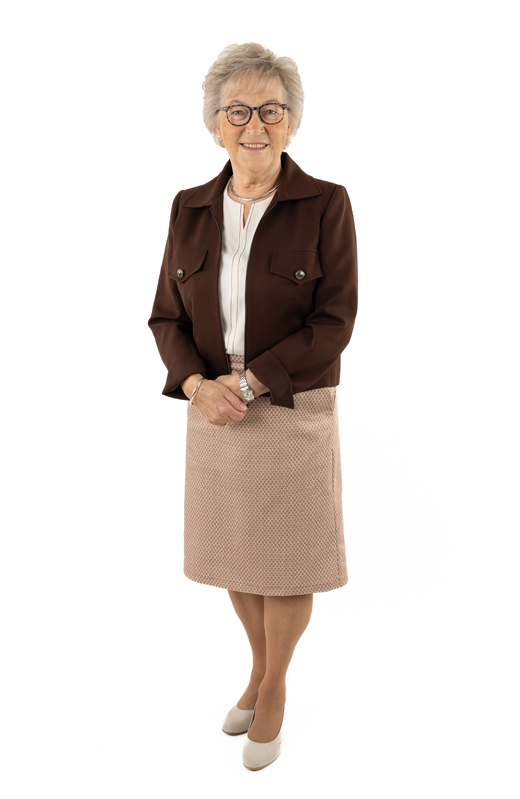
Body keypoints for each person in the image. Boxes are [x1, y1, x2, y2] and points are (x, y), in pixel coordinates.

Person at [147, 42, 358, 771]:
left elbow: (335, 320)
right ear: (215, 124)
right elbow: (165, 318)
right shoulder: (188, 207)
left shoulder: (325, 203)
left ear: (291, 122)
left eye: (271, 110)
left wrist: (249, 384)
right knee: (237, 551)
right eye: (237, 111)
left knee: (286, 559)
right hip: (211, 404)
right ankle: (259, 669)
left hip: (290, 401)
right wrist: (196, 386)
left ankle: (273, 686)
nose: (254, 125)